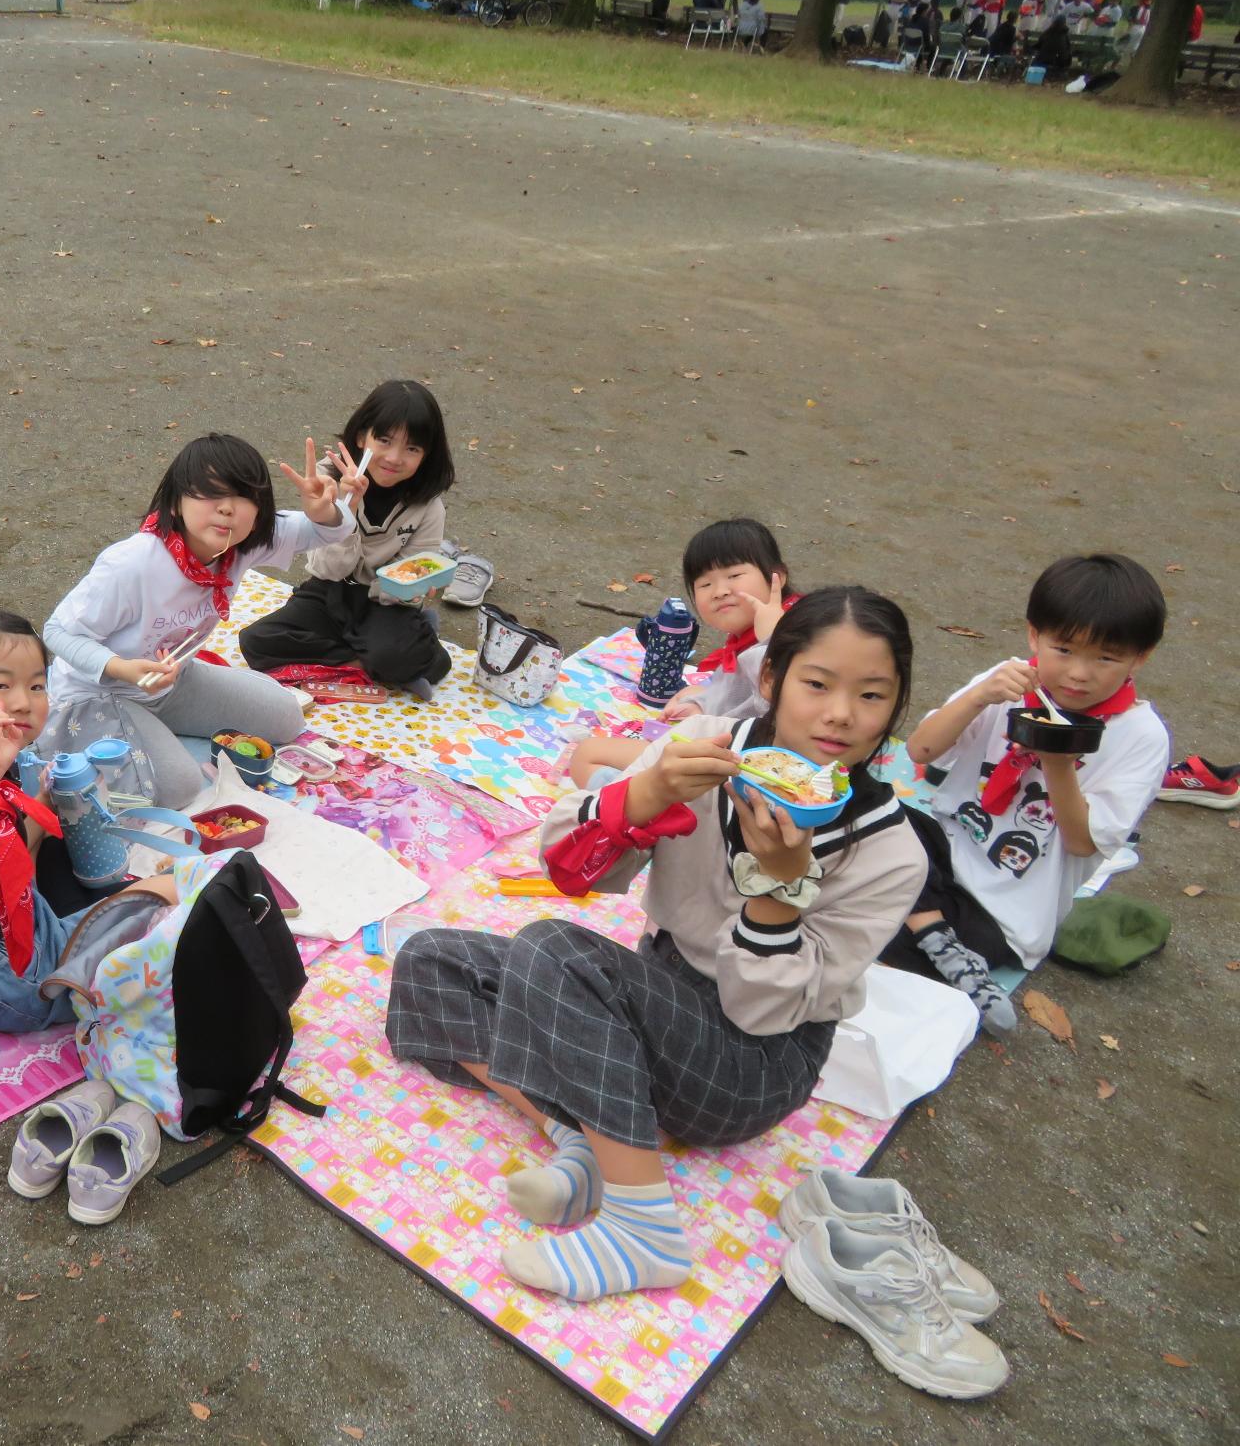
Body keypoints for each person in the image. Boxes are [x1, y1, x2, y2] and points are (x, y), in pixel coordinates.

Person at [388, 589, 925, 1301]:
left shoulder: (890, 852)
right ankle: (578, 1136)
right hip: (655, 999)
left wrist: (777, 890)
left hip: (751, 1066)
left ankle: (643, 1232)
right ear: (772, 680)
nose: (839, 714)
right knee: (431, 960)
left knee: (557, 955)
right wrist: (641, 796)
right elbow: (568, 870)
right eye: (817, 684)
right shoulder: (704, 745)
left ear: (894, 709)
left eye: (871, 695)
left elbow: (764, 1010)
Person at [897, 555, 1169, 1029]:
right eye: (1063, 649)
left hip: (1004, 912)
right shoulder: (1009, 681)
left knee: (861, 918)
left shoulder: (1140, 735)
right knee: (865, 815)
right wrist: (979, 697)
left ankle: (939, 946)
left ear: (1139, 657)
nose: (1079, 674)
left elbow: (1085, 844)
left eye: (1105, 657)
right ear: (1033, 636)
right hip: (942, 856)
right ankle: (932, 934)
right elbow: (921, 749)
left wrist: (1060, 763)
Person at [41, 433, 360, 808]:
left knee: (287, 718)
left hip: (171, 684)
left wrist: (323, 510)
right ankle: (133, 735)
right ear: (175, 503)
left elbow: (328, 531)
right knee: (181, 787)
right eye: (210, 494)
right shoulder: (132, 563)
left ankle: (152, 730)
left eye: (244, 496)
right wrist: (121, 668)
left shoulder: (245, 542)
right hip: (97, 694)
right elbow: (57, 632)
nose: (227, 508)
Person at [0, 610, 177, 1031]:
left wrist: (42, 800)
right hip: (10, 985)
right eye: (2, 685)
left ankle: (94, 911)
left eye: (37, 685)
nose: (24, 701)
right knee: (179, 891)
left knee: (55, 833)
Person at [238, 380, 457, 699]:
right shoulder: (327, 481)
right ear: (360, 436)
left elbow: (409, 576)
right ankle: (367, 657)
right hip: (331, 590)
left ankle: (400, 646)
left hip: (385, 601)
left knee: (409, 659)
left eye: (412, 448)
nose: (395, 457)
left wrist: (411, 593)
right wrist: (345, 508)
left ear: (426, 455)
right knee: (257, 642)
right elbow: (327, 569)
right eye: (384, 440)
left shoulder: (428, 505)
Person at [561, 518, 798, 788]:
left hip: (736, 770)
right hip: (723, 750)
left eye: (734, 576)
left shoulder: (794, 641)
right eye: (705, 585)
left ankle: (635, 810)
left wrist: (772, 641)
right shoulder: (754, 632)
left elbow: (786, 712)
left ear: (777, 577)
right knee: (691, 693)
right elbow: (734, 692)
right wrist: (700, 705)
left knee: (587, 754)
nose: (720, 591)